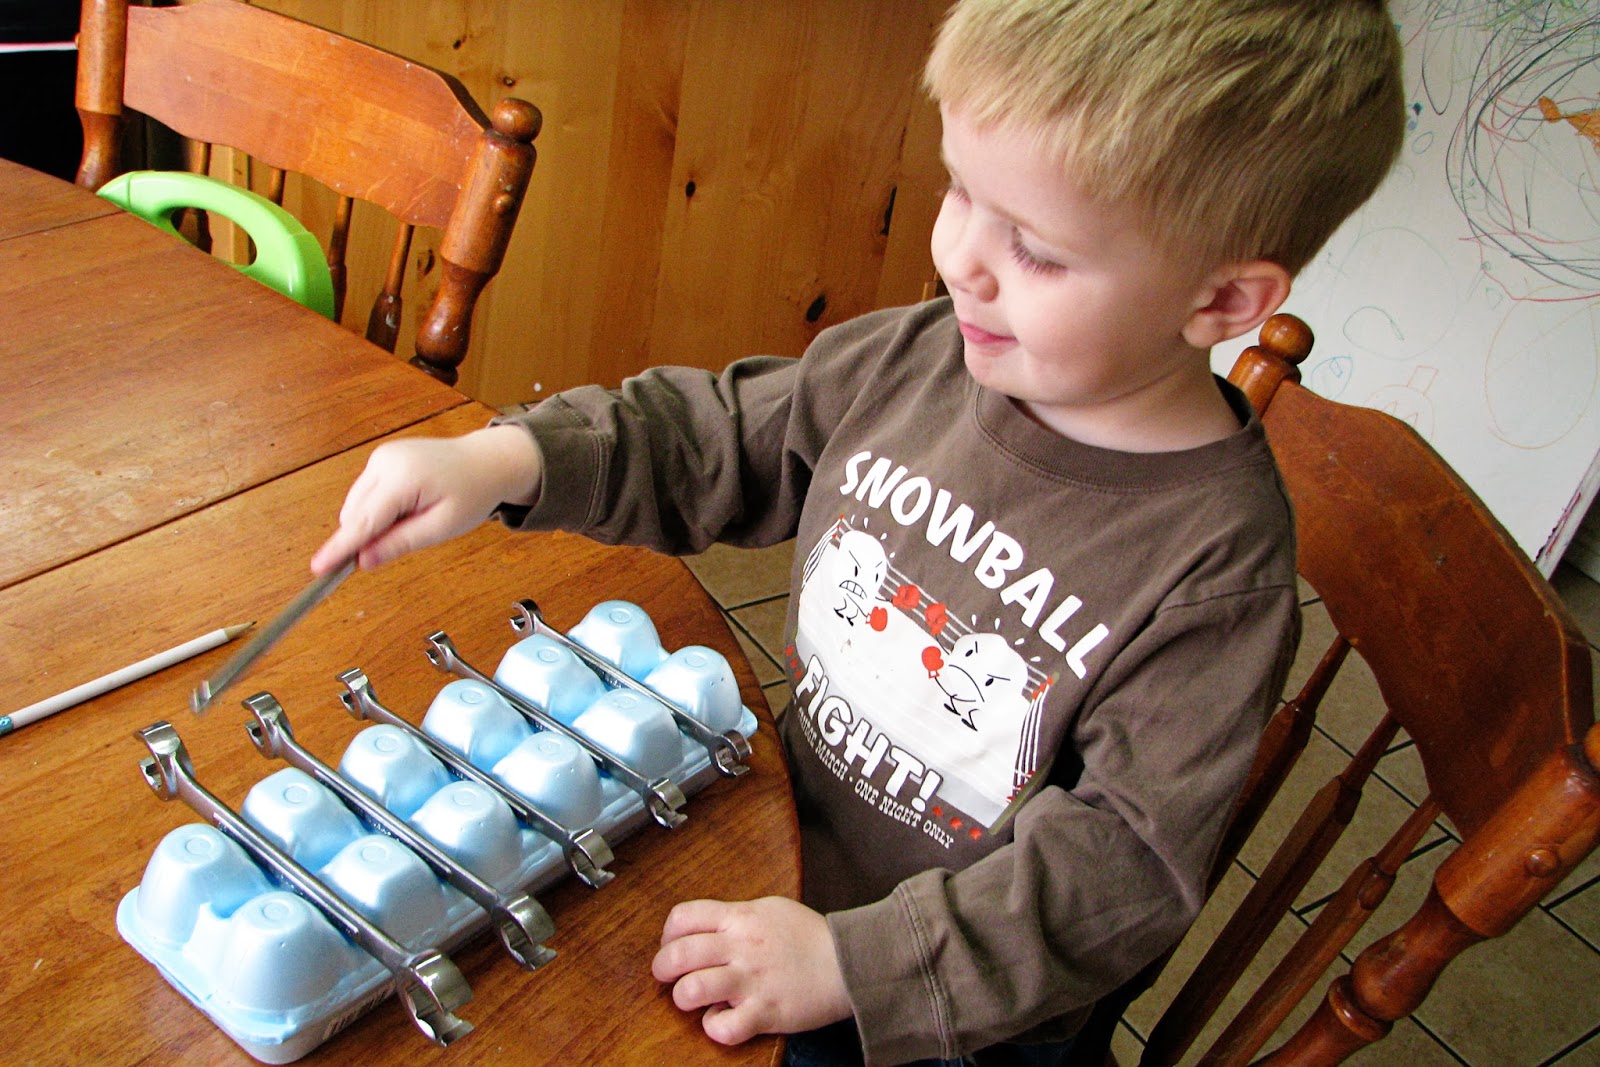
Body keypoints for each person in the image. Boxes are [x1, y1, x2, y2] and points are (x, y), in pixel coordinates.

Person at [311, 0, 1405, 1062]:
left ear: (1221, 302)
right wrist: (510, 457)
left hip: (940, 1010)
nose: (960, 258)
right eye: (958, 191)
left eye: (1034, 247)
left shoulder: (1214, 570)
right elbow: (719, 436)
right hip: (780, 850)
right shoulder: (927, 356)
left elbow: (1119, 874)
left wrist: (853, 962)